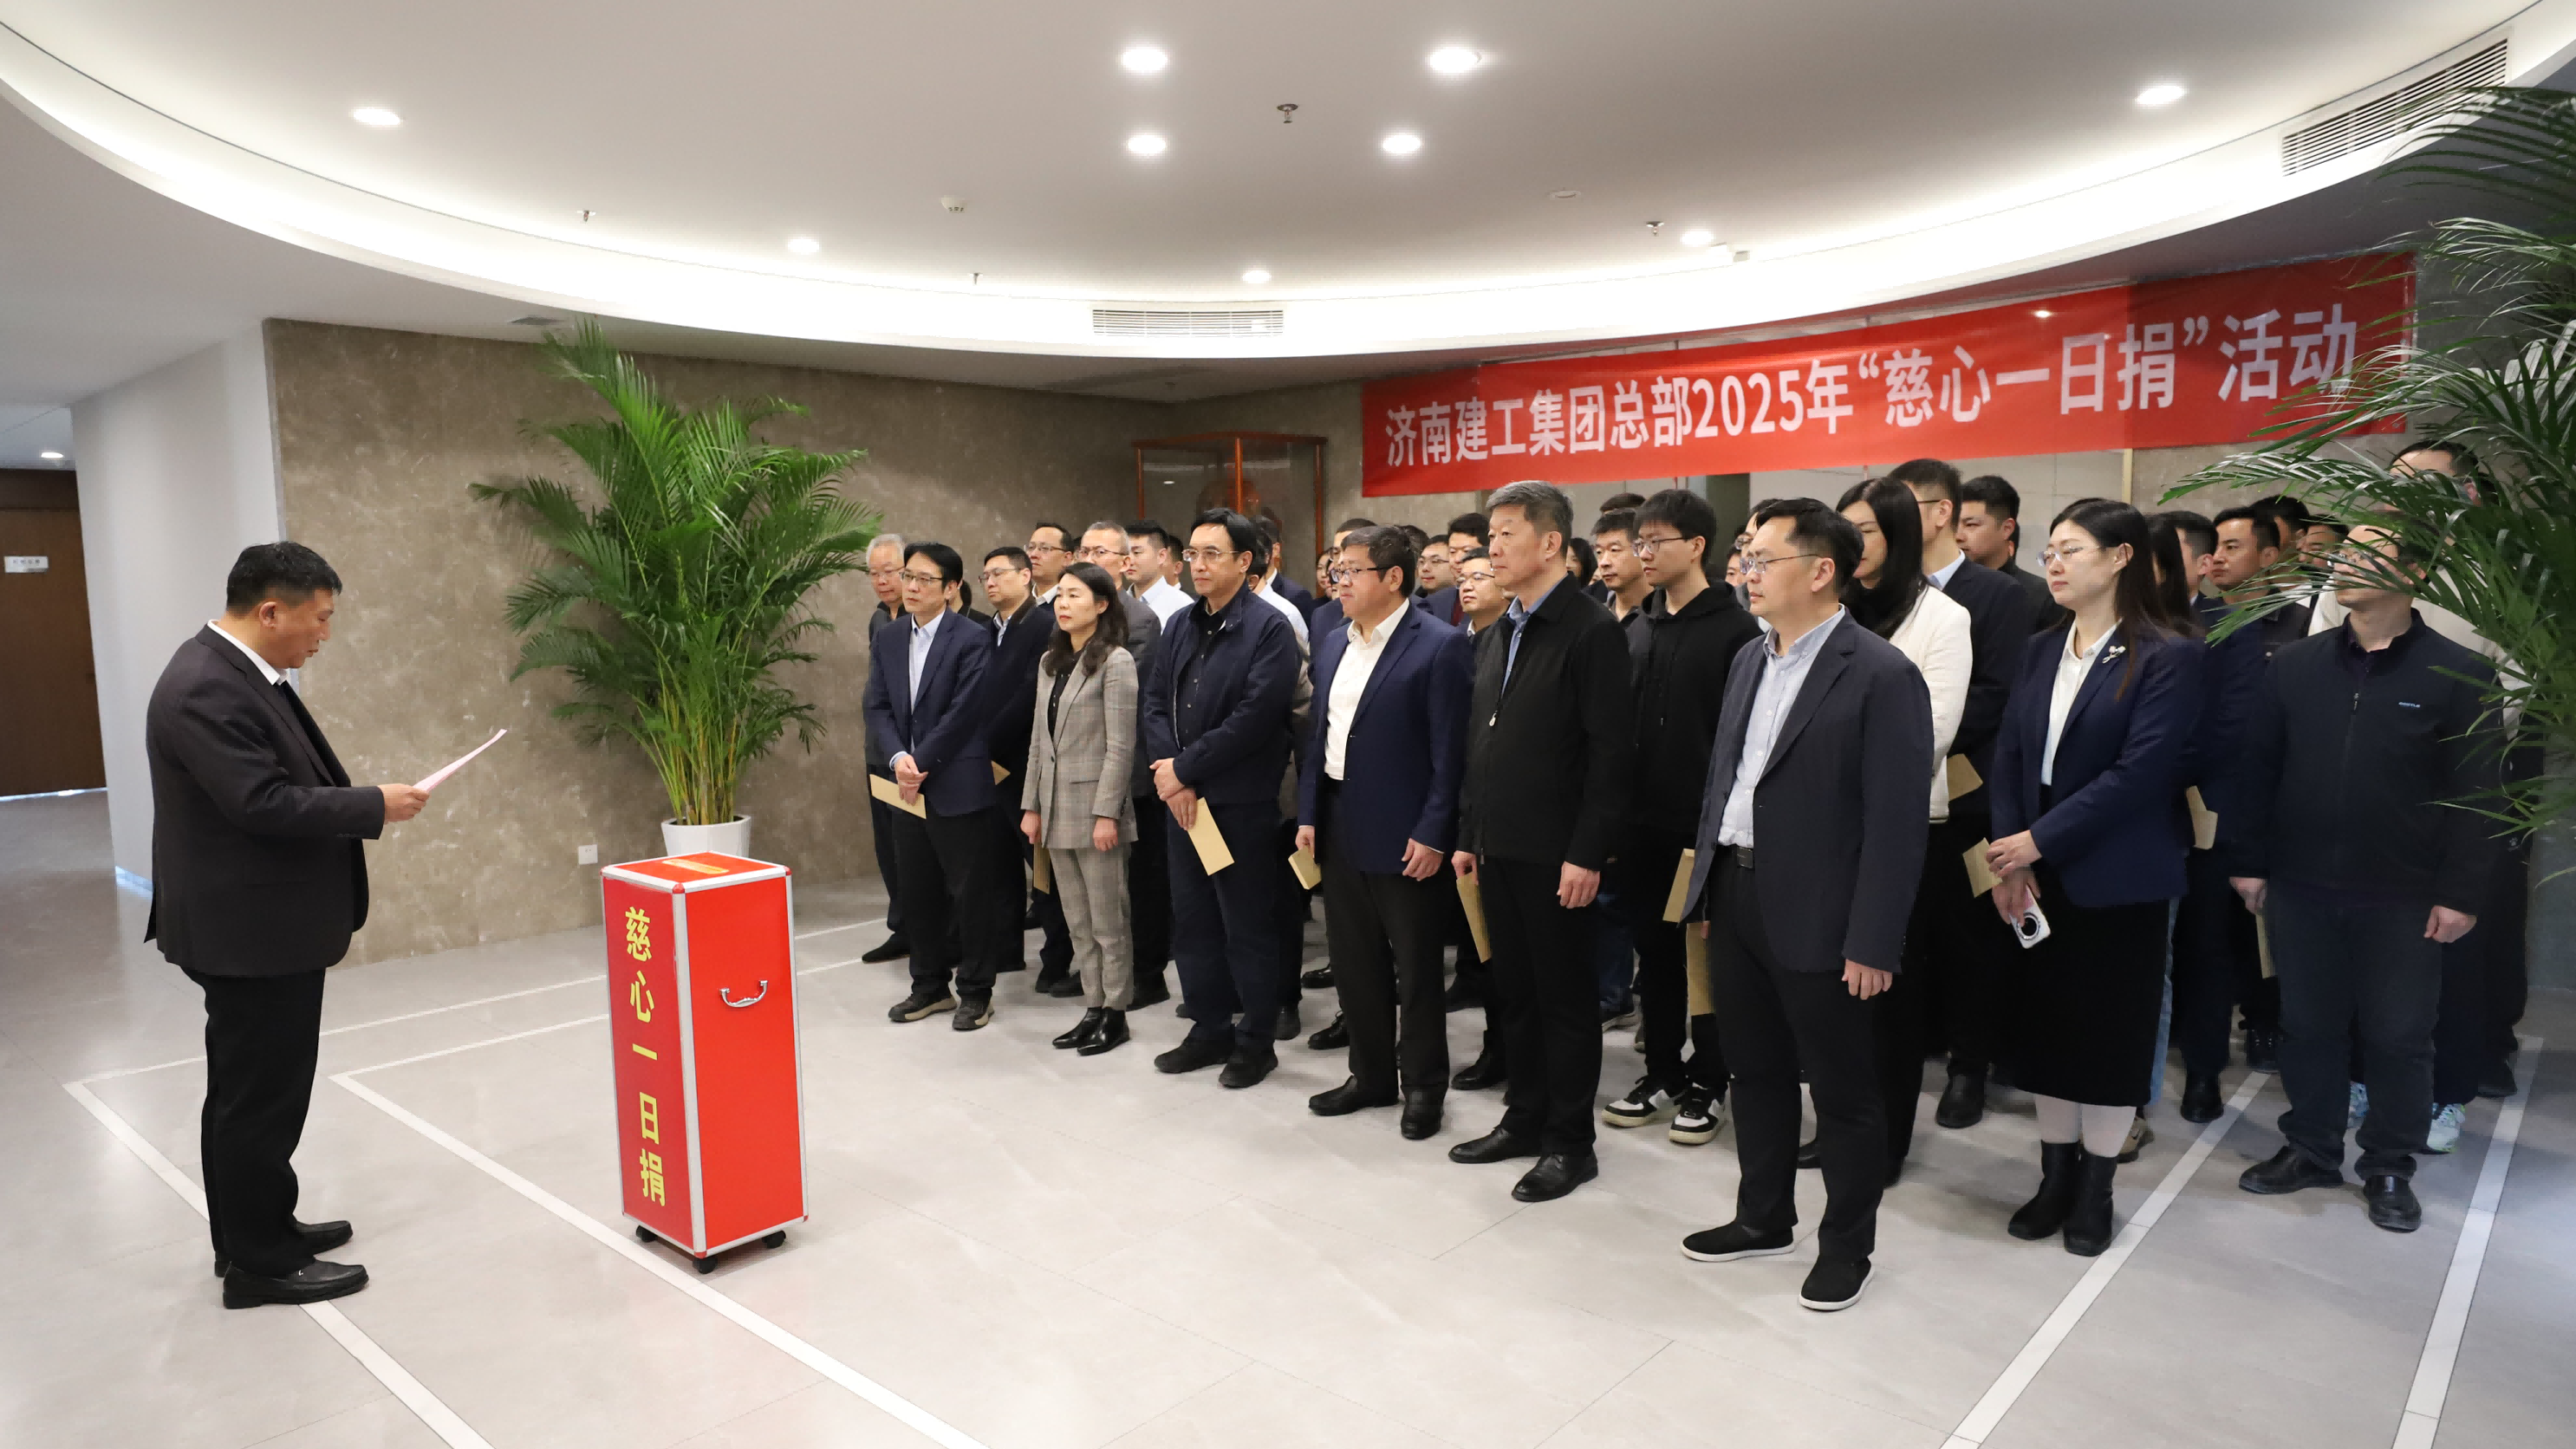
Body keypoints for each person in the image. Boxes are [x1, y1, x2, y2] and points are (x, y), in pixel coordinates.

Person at [146, 543, 426, 1309]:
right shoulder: (207, 687)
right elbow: (260, 803)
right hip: (249, 933)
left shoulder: (236, 672)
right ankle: (259, 1263)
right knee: (258, 1100)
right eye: (320, 619)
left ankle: (257, 1228)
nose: (325, 635)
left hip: (258, 926)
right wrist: (373, 804)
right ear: (271, 611)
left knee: (254, 1092)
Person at [1677, 499, 1933, 1313]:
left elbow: (1897, 825)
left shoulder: (1881, 673)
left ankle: (1847, 1247)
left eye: (1763, 559)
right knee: (1754, 1071)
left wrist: (1875, 940)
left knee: (1844, 1092)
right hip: (1738, 890)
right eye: (1746, 557)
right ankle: (1763, 1217)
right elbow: (1724, 782)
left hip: (1826, 910)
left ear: (1823, 571)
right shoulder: (1749, 659)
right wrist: (1704, 890)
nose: (1746, 572)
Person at [2228, 522, 2503, 1231]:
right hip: (2300, 884)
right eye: (2343, 554)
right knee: (2307, 1027)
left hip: (2405, 895)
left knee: (2399, 1036)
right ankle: (2311, 1148)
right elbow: (2258, 768)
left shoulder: (2460, 674)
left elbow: (2479, 795)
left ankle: (2388, 1164)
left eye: (2367, 556)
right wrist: (2247, 860)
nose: (2346, 566)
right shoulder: (2295, 665)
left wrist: (2461, 893)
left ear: (2412, 574)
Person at [1985, 499, 2205, 1257]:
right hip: (2036, 872)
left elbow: (2141, 773)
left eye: (2071, 549)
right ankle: (2053, 1178)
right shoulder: (2041, 648)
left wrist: (2037, 840)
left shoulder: (2168, 653)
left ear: (2120, 557)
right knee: (2048, 1033)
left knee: (2108, 1040)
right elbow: (2010, 755)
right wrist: (2012, 853)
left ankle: (2096, 1187)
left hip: (2117, 875)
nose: (2053, 562)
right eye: (2049, 550)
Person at [1447, 481, 1635, 1203]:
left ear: (1551, 542)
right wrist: (1471, 831)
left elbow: (1610, 755)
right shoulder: (1503, 628)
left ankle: (1569, 1142)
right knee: (1515, 994)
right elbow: (1482, 741)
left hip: (1559, 854)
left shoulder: (1590, 630)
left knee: (1563, 1002)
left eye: (1506, 534)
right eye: (1490, 535)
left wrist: (1587, 852)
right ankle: (1523, 1118)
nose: (1491, 548)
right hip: (1500, 845)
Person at [1296, 526, 1473, 1138]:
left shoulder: (1440, 646)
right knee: (1353, 960)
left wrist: (1434, 831)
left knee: (1416, 969)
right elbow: (1318, 736)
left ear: (1393, 578)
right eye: (1336, 570)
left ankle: (1423, 1086)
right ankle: (1369, 1075)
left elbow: (1452, 755)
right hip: (1339, 818)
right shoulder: (1333, 641)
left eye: (1352, 571)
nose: (1338, 581)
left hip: (1407, 830)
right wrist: (1309, 814)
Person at [1598, 490, 1760, 1147]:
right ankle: (1661, 1071)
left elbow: (1742, 742)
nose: (1644, 553)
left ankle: (1710, 1080)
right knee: (1655, 957)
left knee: (1706, 962)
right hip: (1642, 827)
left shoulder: (1738, 633)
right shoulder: (1636, 629)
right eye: (1639, 542)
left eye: (1656, 542)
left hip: (1705, 830)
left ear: (1696, 546)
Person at [1890, 458, 2038, 1130]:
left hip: (1972, 797)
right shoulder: (1886, 591)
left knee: (1971, 936)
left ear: (1941, 512)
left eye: (1902, 506)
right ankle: (1915, 1043)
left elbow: (1998, 696)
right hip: (1897, 796)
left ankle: (1969, 1067)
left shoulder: (2001, 596)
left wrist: (1908, 728)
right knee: (1905, 931)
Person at [1836, 479, 1974, 1179]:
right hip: (1825, 832)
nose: (1852, 543)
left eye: (1866, 531)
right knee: (1834, 997)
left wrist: (1829, 765)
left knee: (1889, 994)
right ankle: (1841, 1128)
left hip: (1904, 828)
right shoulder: (1831, 612)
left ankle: (1886, 1140)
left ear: (1900, 534)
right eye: (1844, 529)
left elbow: (1932, 735)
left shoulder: (1942, 618)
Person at [1140, 510, 1304, 1088]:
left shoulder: (1269, 628)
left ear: (1244, 561)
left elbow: (1257, 716)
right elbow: (1154, 703)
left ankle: (1256, 1041)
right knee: (1193, 922)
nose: (1199, 565)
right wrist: (1173, 775)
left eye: (1213, 554)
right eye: (1193, 554)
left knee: (1247, 926)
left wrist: (1184, 769)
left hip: (1239, 803)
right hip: (1182, 802)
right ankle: (1209, 1029)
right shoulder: (1181, 623)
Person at [864, 543, 1012, 1031]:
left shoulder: (972, 637)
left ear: (951, 588)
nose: (910, 587)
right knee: (917, 890)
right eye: (908, 576)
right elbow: (876, 706)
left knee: (970, 894)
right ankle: (928, 986)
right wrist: (898, 759)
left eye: (924, 580)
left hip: (957, 783)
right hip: (906, 786)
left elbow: (966, 712)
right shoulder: (889, 637)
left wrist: (920, 762)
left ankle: (976, 992)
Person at [2156, 510, 2268, 1125]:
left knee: (2204, 943)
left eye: (2167, 554)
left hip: (2202, 804)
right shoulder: (2130, 621)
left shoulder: (2233, 627)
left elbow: (2230, 726)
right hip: (2132, 809)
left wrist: (2153, 769)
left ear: (2202, 564)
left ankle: (2203, 1070)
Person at [1020, 563, 1141, 1055]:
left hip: (1095, 811)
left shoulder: (1116, 661)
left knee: (1109, 921)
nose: (1063, 604)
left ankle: (1116, 1013)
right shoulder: (1051, 662)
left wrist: (1107, 813)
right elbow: (1038, 741)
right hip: (1054, 808)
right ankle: (1092, 1007)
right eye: (1060, 596)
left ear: (1102, 604)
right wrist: (1030, 805)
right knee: (1077, 921)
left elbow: (1121, 747)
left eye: (1075, 595)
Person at [975, 546, 1063, 991]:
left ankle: (1058, 957)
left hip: (1025, 765)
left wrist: (985, 744)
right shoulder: (989, 629)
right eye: (985, 576)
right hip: (988, 768)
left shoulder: (1044, 625)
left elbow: (1031, 695)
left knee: (1043, 869)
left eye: (999, 573)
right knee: (997, 866)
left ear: (1026, 576)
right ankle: (1005, 949)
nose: (990, 582)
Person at [860, 534, 914, 964]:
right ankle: (903, 927)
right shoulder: (878, 620)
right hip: (880, 751)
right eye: (874, 573)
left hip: (914, 755)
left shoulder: (923, 618)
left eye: (889, 572)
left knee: (916, 846)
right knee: (889, 845)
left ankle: (937, 931)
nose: (881, 581)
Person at [1958, 475, 2067, 632]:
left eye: (1970, 525)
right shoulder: (1943, 587)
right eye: (1953, 525)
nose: (1958, 536)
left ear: (2006, 529)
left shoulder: (2042, 598)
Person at [1128, 521, 1193, 623]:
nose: (1129, 560)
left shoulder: (1182, 606)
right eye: (1126, 553)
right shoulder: (1117, 602)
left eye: (1137, 552)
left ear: (1161, 556)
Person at [1025, 523, 1077, 606]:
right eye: (1031, 547)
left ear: (1067, 558)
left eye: (1045, 548)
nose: (1033, 555)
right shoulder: (1019, 602)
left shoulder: (1072, 604)